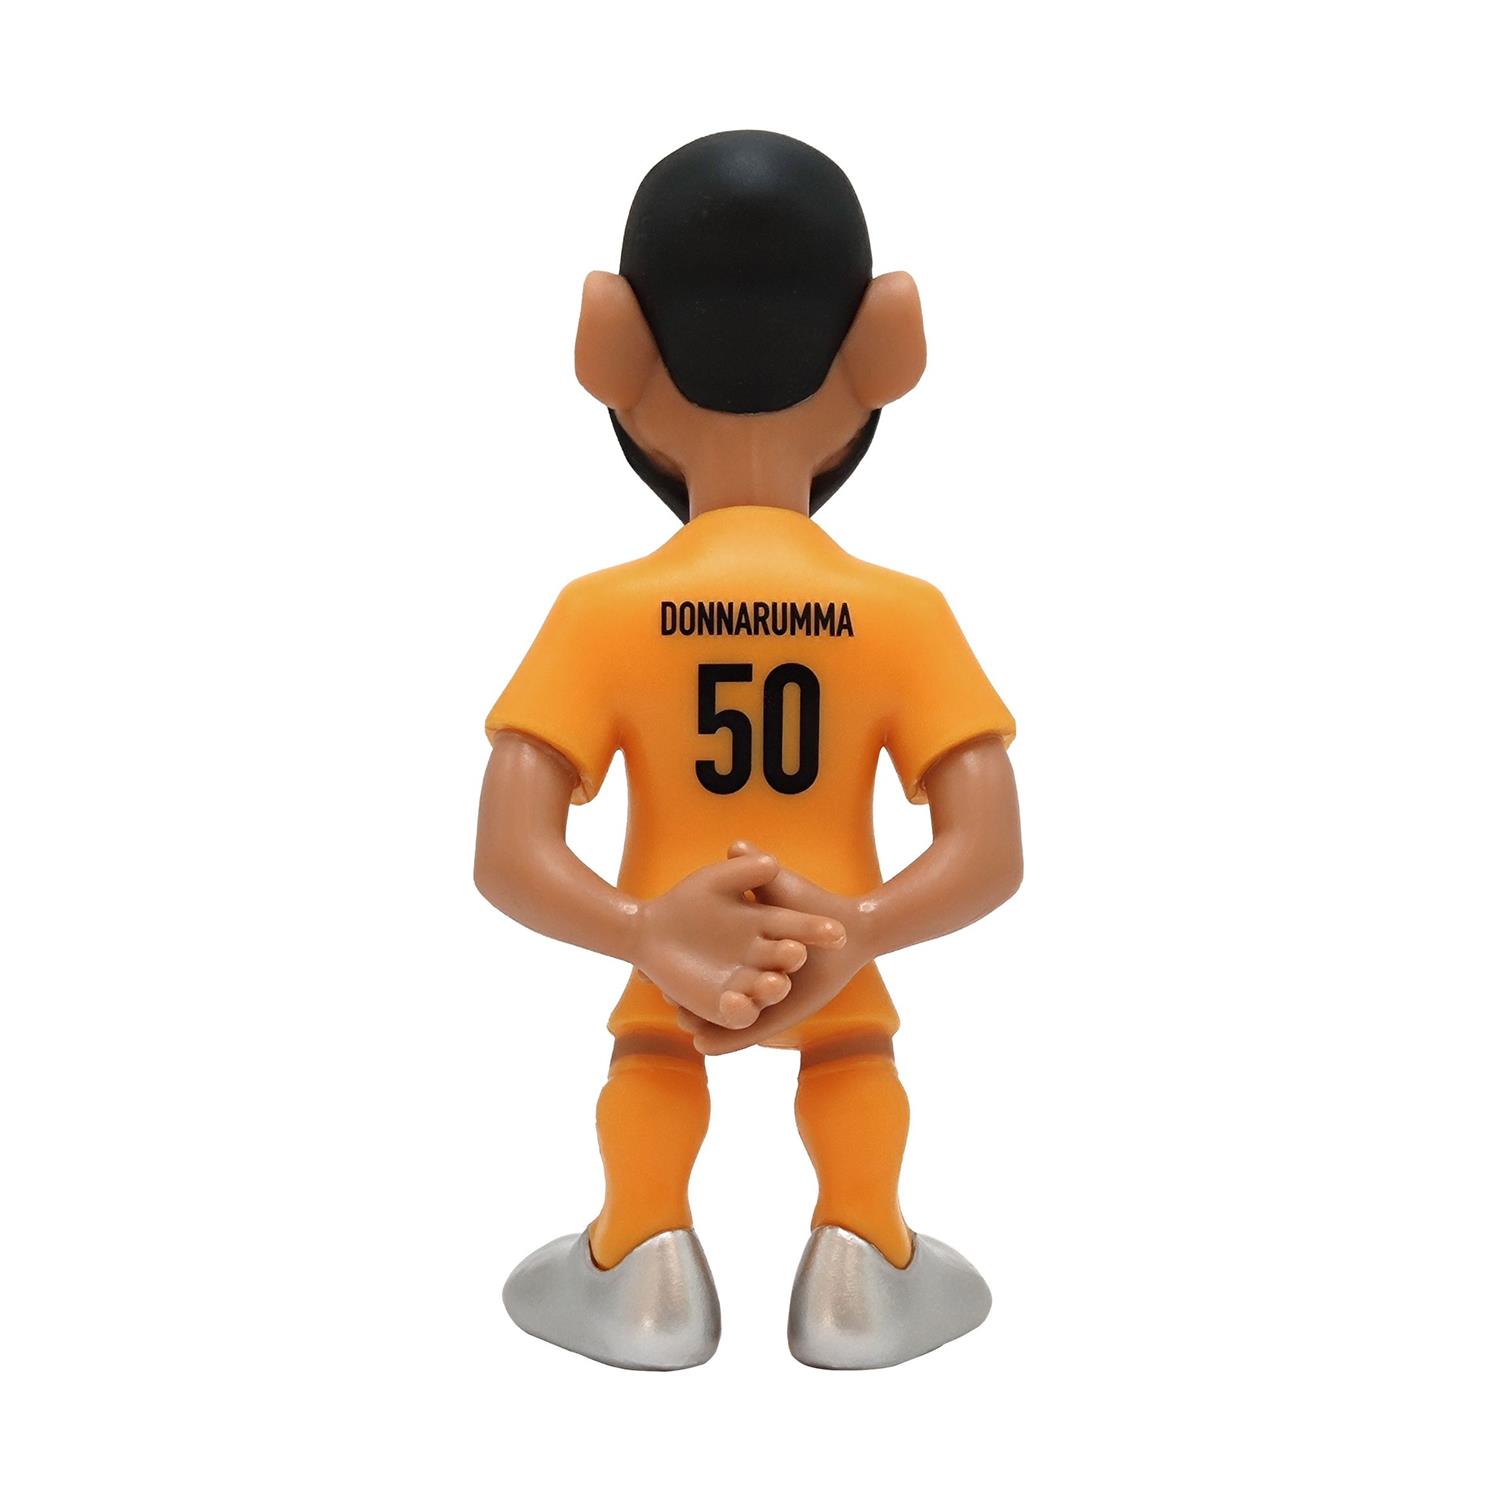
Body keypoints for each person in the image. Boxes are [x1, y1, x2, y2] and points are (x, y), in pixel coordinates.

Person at [475, 131, 1023, 1369]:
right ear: (887, 351)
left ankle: (641, 1260)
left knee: (651, 1059)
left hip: (672, 957)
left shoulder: (600, 614)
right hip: (841, 955)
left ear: (609, 351)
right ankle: (864, 1260)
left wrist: (645, 929)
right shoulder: (904, 616)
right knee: (855, 1062)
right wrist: (858, 927)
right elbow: (990, 848)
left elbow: (507, 850)